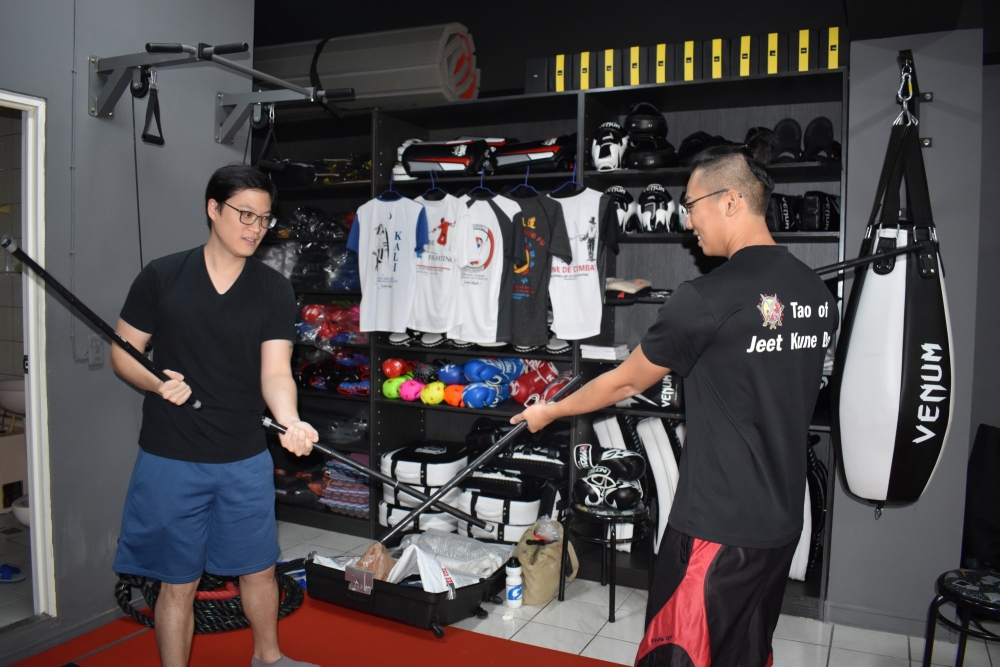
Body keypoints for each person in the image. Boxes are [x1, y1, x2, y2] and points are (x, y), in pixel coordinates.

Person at [512, 142, 837, 666]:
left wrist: (548, 411)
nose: (687, 222)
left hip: (716, 526)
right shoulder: (817, 294)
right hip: (781, 522)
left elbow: (622, 384)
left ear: (730, 200)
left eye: (691, 205)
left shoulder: (705, 297)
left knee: (677, 653)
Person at [110, 164, 319, 667]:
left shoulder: (273, 288)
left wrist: (290, 418)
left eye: (264, 219)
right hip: (171, 455)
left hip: (243, 455)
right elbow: (122, 352)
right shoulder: (162, 275)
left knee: (259, 570)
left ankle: (269, 658)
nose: (255, 227)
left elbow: (276, 371)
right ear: (213, 208)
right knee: (177, 582)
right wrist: (156, 381)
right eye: (245, 214)